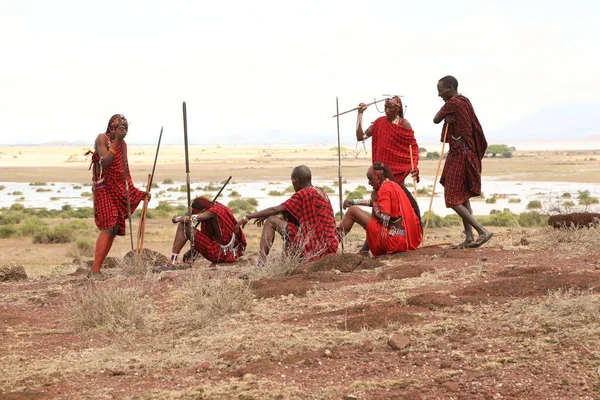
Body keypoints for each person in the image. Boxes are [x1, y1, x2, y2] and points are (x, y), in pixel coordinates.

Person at [433, 75, 493, 249]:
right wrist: (449, 121)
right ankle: (468, 237)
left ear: (451, 88)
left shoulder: (453, 103)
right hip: (468, 153)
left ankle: (482, 231)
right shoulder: (465, 102)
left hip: (460, 155)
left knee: (452, 198)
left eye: (440, 90)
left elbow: (436, 119)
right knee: (463, 196)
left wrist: (445, 119)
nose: (439, 94)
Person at [236, 165, 338, 265]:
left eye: (292, 182)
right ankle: (284, 262)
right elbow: (291, 211)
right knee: (286, 221)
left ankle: (260, 263)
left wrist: (248, 216)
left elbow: (275, 209)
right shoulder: (321, 191)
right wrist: (268, 214)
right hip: (330, 243)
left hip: (316, 244)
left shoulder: (304, 193)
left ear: (296, 181)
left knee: (271, 221)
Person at [89, 114, 148, 279]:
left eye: (126, 128)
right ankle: (95, 271)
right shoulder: (103, 139)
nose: (124, 131)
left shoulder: (123, 145)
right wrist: (116, 141)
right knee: (108, 227)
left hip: (117, 188)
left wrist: (137, 193)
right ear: (112, 128)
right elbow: (105, 162)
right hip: (103, 189)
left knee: (114, 228)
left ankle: (96, 269)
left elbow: (124, 173)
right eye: (121, 128)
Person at [338, 163, 422, 257]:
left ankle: (332, 243)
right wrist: (355, 201)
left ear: (377, 177)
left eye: (370, 179)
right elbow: (378, 202)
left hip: (394, 241)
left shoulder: (385, 189)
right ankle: (364, 251)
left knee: (352, 212)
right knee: (369, 214)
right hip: (404, 239)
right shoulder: (392, 185)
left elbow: (385, 217)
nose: (369, 183)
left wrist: (374, 204)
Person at [160, 196, 246, 270]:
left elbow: (189, 219)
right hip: (229, 252)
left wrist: (175, 218)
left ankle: (172, 260)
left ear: (201, 209)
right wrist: (191, 252)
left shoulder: (213, 212)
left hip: (222, 254)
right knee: (186, 225)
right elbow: (206, 237)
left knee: (184, 225)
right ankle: (177, 260)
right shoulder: (218, 207)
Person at [356, 95, 420, 185]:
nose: (387, 111)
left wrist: (414, 166)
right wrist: (360, 114)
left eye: (390, 108)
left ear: (398, 108)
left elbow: (413, 149)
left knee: (395, 194)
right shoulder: (379, 122)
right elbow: (360, 137)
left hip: (397, 171)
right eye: (385, 108)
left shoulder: (403, 124)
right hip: (380, 170)